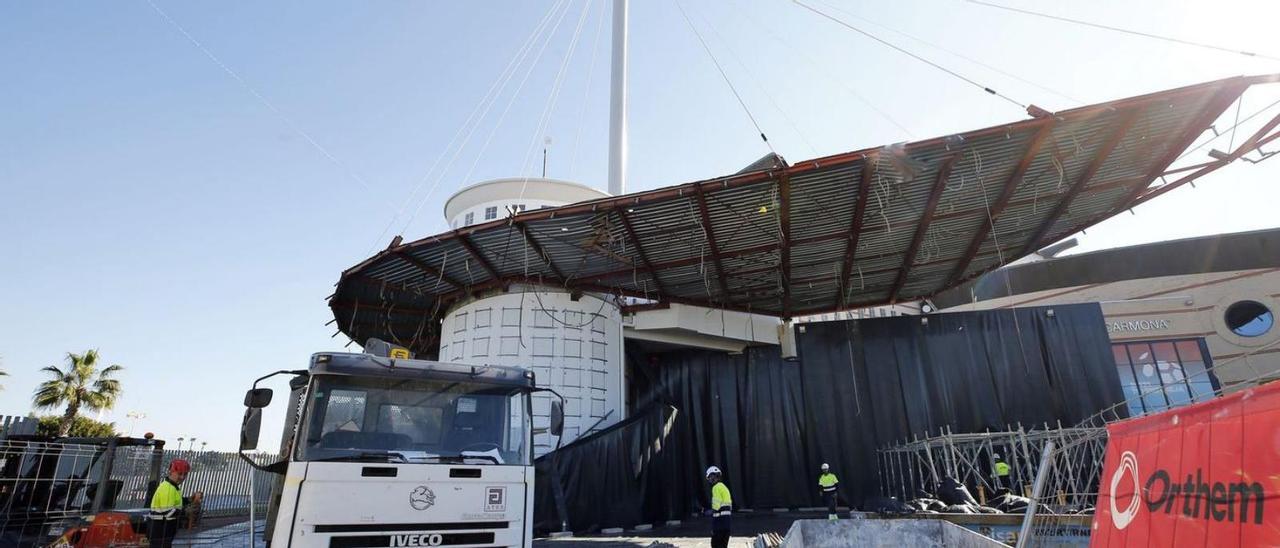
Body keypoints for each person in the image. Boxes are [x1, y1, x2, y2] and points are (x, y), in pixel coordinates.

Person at [149, 459, 203, 548]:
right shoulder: (167, 489)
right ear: (172, 472)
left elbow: (176, 502)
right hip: (160, 532)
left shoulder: (173, 487)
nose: (182, 477)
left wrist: (189, 499)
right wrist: (186, 511)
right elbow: (169, 512)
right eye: (180, 474)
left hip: (163, 531)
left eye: (185, 474)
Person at [705, 466, 732, 548]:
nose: (709, 480)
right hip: (727, 524)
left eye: (710, 477)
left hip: (719, 525)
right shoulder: (724, 487)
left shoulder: (716, 488)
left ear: (714, 476)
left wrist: (707, 512)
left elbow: (716, 507)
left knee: (715, 545)